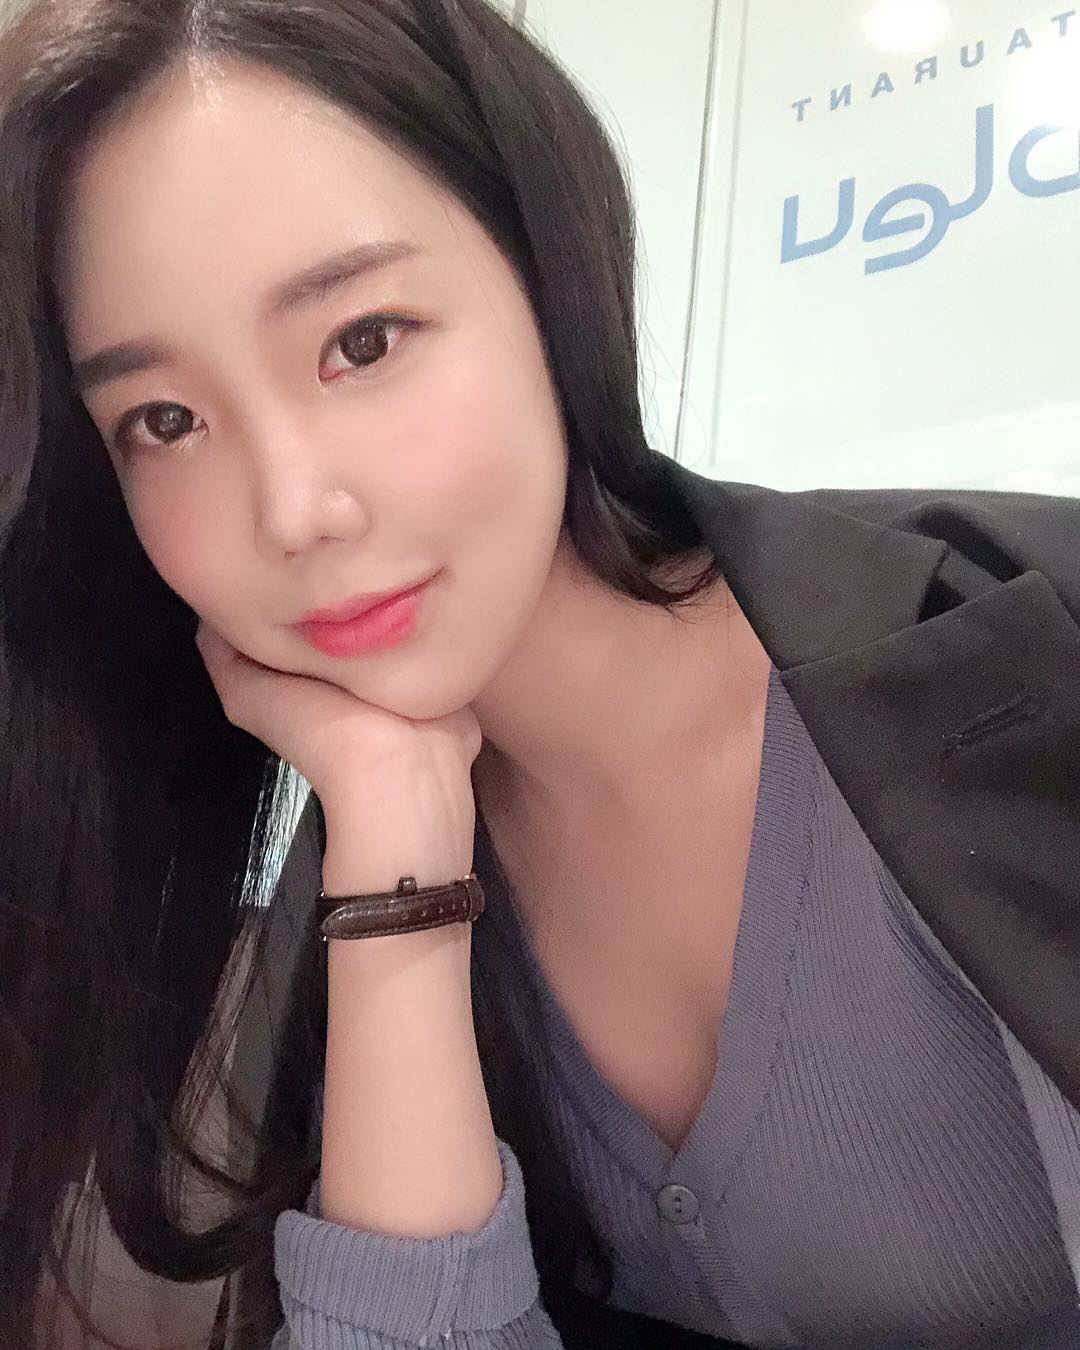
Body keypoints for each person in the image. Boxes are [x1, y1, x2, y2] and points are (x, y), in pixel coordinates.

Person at [1, 0, 1078, 1347]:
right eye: (165, 420)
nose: (294, 510)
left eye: (364, 340)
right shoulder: (342, 903)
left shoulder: (1019, 644)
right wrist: (397, 861)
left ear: (548, 283)